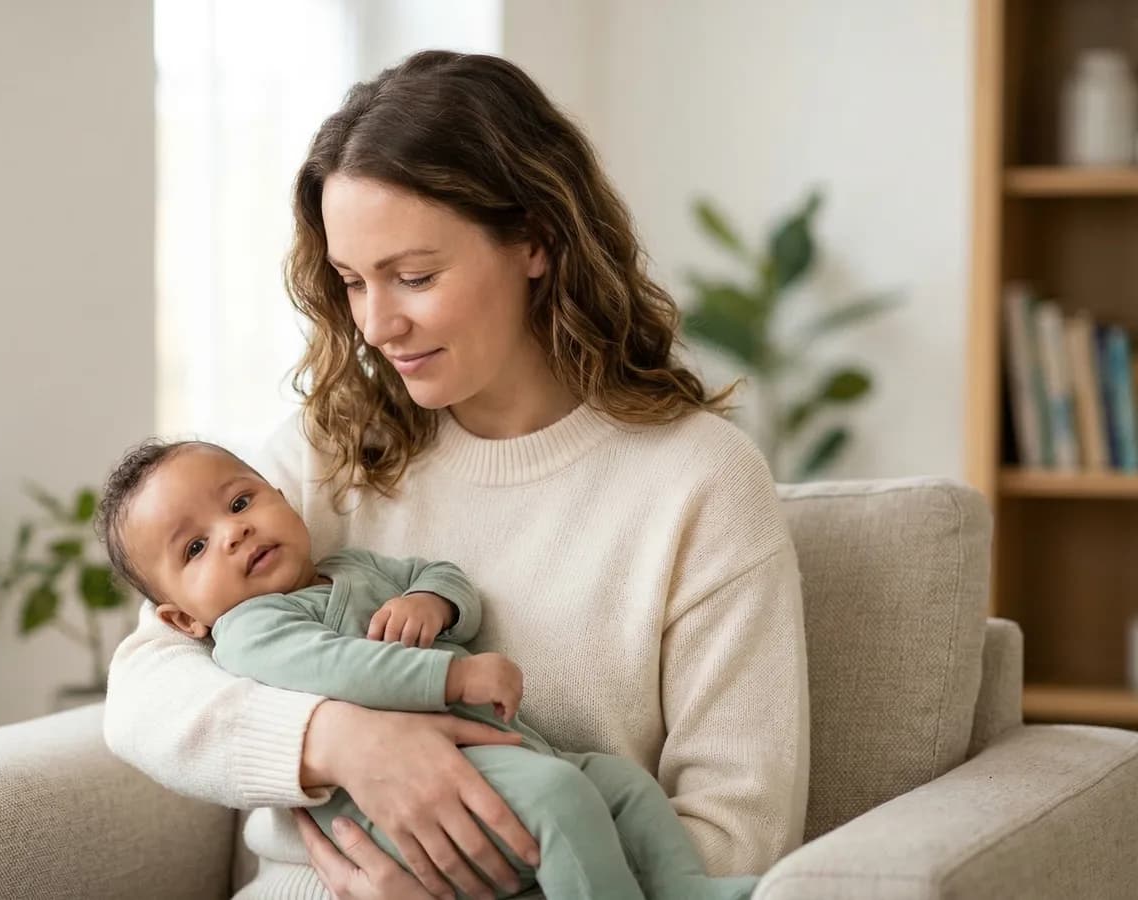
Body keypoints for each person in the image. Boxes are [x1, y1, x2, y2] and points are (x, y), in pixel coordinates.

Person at [104, 49, 808, 900]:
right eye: (353, 282)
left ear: (536, 241)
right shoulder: (329, 447)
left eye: (415, 277)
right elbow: (145, 688)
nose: (377, 325)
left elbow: (736, 834)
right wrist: (337, 740)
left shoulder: (698, 480)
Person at [93, 436, 760, 900]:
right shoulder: (249, 630)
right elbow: (338, 668)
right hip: (404, 821)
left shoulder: (351, 568)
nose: (233, 531)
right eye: (197, 547)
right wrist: (454, 679)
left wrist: (432, 600)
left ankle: (687, 891)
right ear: (182, 620)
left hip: (511, 757)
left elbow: (437, 573)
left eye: (241, 503)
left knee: (618, 784)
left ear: (281, 496)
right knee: (560, 799)